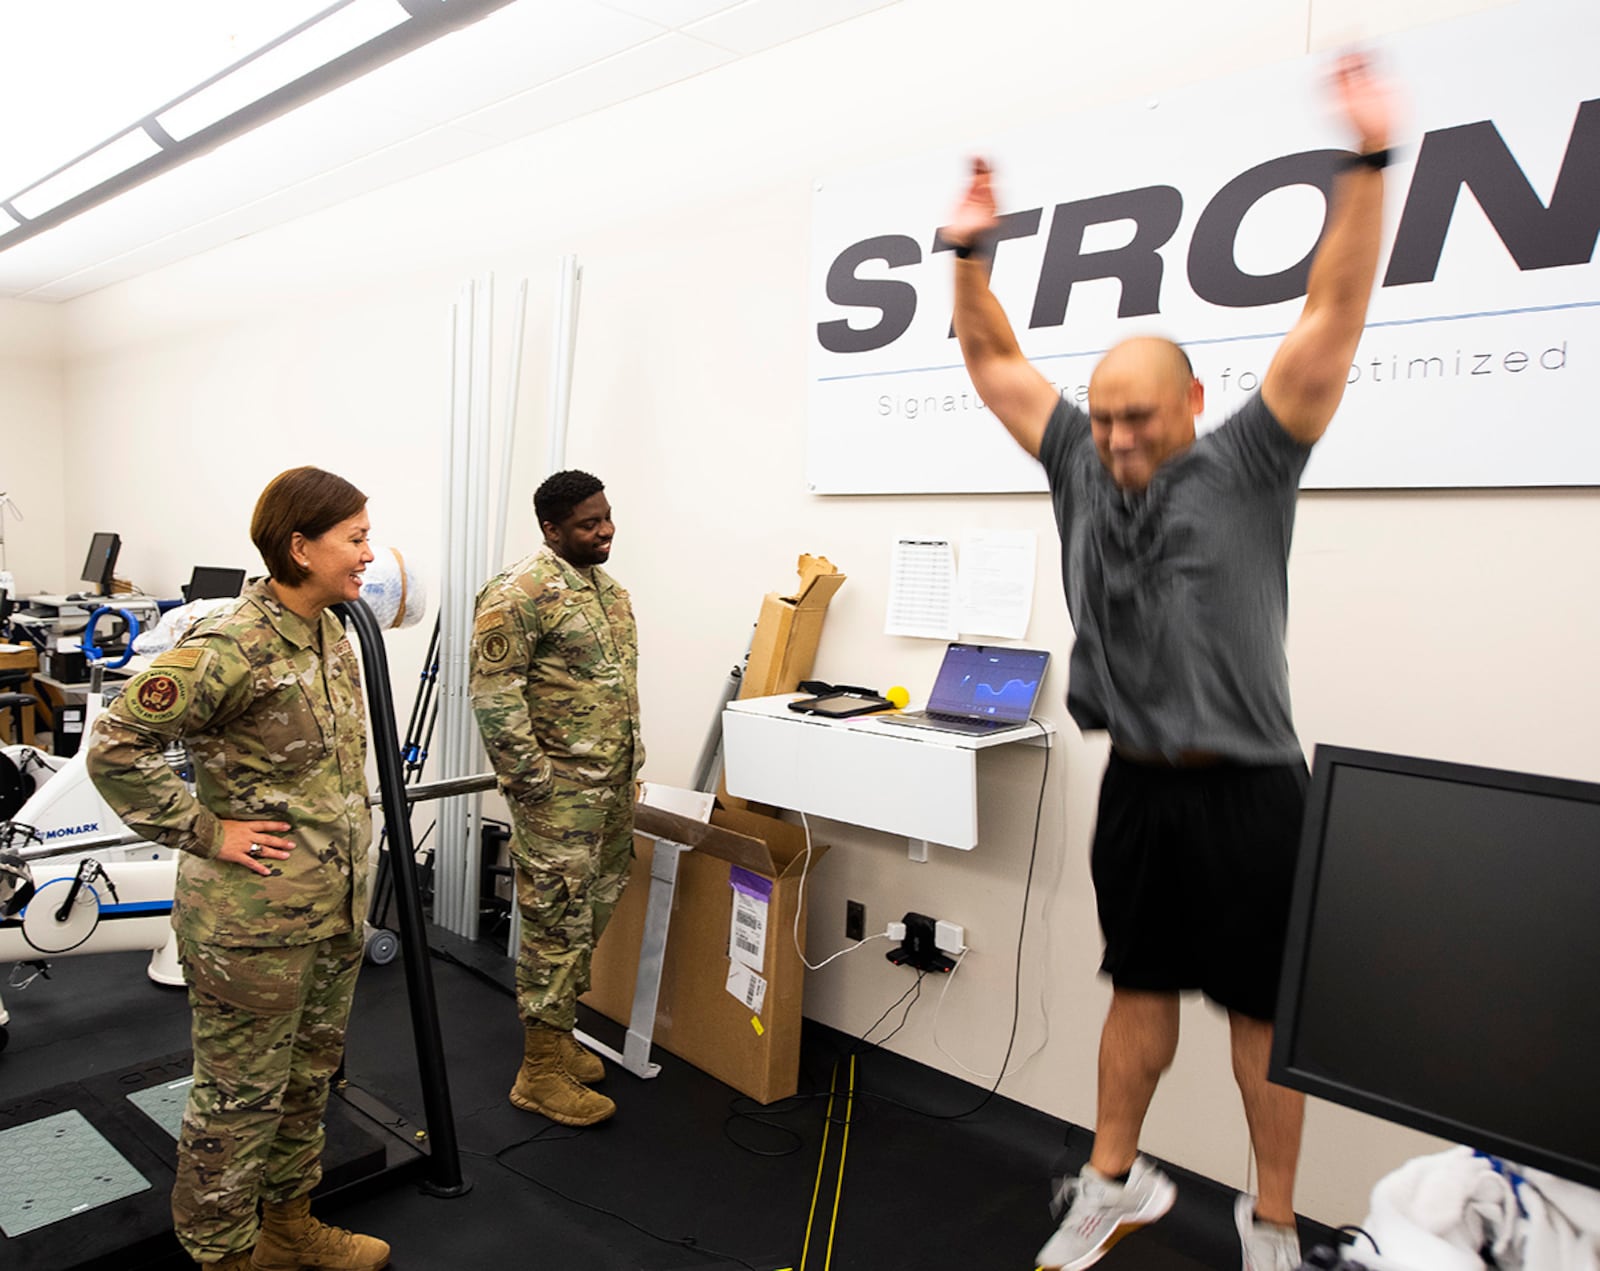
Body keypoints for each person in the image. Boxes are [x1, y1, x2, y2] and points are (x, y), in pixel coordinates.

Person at [944, 54, 1394, 1271]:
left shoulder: (1253, 456)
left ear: (1194, 400)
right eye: (1106, 414)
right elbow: (990, 362)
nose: (1121, 436)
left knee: (1260, 1019)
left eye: (1141, 414)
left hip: (1250, 785)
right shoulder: (1077, 455)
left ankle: (1276, 1224)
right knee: (1135, 994)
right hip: (1138, 783)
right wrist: (967, 254)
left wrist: (1367, 163)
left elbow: (1334, 312)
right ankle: (1113, 1179)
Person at [86, 467, 387, 1271]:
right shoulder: (230, 646)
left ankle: (289, 1227)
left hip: (332, 911)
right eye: (354, 538)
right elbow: (116, 745)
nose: (370, 553)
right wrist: (207, 830)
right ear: (301, 546)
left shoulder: (333, 630)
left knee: (306, 1084)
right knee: (238, 1100)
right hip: (251, 929)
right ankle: (221, 1255)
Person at [469, 469, 643, 1127]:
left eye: (606, 517)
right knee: (554, 920)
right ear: (551, 529)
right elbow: (494, 695)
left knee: (592, 909)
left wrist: (627, 769)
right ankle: (538, 1070)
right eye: (587, 523)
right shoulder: (519, 594)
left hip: (610, 788)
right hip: (559, 797)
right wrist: (534, 783)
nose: (604, 531)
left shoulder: (608, 592)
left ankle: (561, 1033)